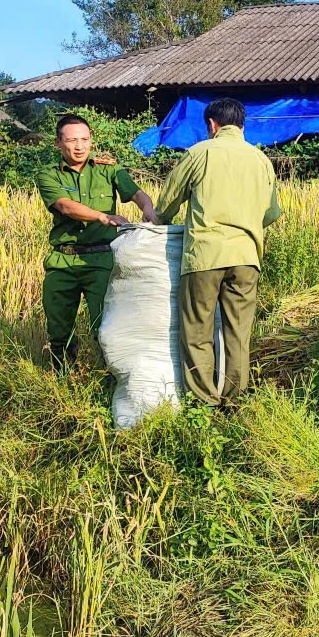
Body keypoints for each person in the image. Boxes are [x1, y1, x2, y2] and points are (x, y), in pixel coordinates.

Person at [156, 98, 282, 407]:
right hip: (247, 259)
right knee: (238, 334)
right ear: (242, 125)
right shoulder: (260, 160)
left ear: (212, 125)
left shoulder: (200, 153)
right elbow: (272, 212)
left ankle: (204, 404)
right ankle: (234, 403)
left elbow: (167, 203)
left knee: (197, 332)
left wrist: (158, 220)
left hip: (205, 257)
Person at [35, 113, 157, 372]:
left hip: (102, 259)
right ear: (58, 143)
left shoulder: (107, 167)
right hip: (63, 260)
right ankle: (63, 376)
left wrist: (147, 207)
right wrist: (102, 216)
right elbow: (65, 206)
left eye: (85, 139)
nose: (79, 146)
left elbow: (134, 192)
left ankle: (108, 378)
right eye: (71, 140)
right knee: (58, 329)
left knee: (105, 325)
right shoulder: (49, 175)